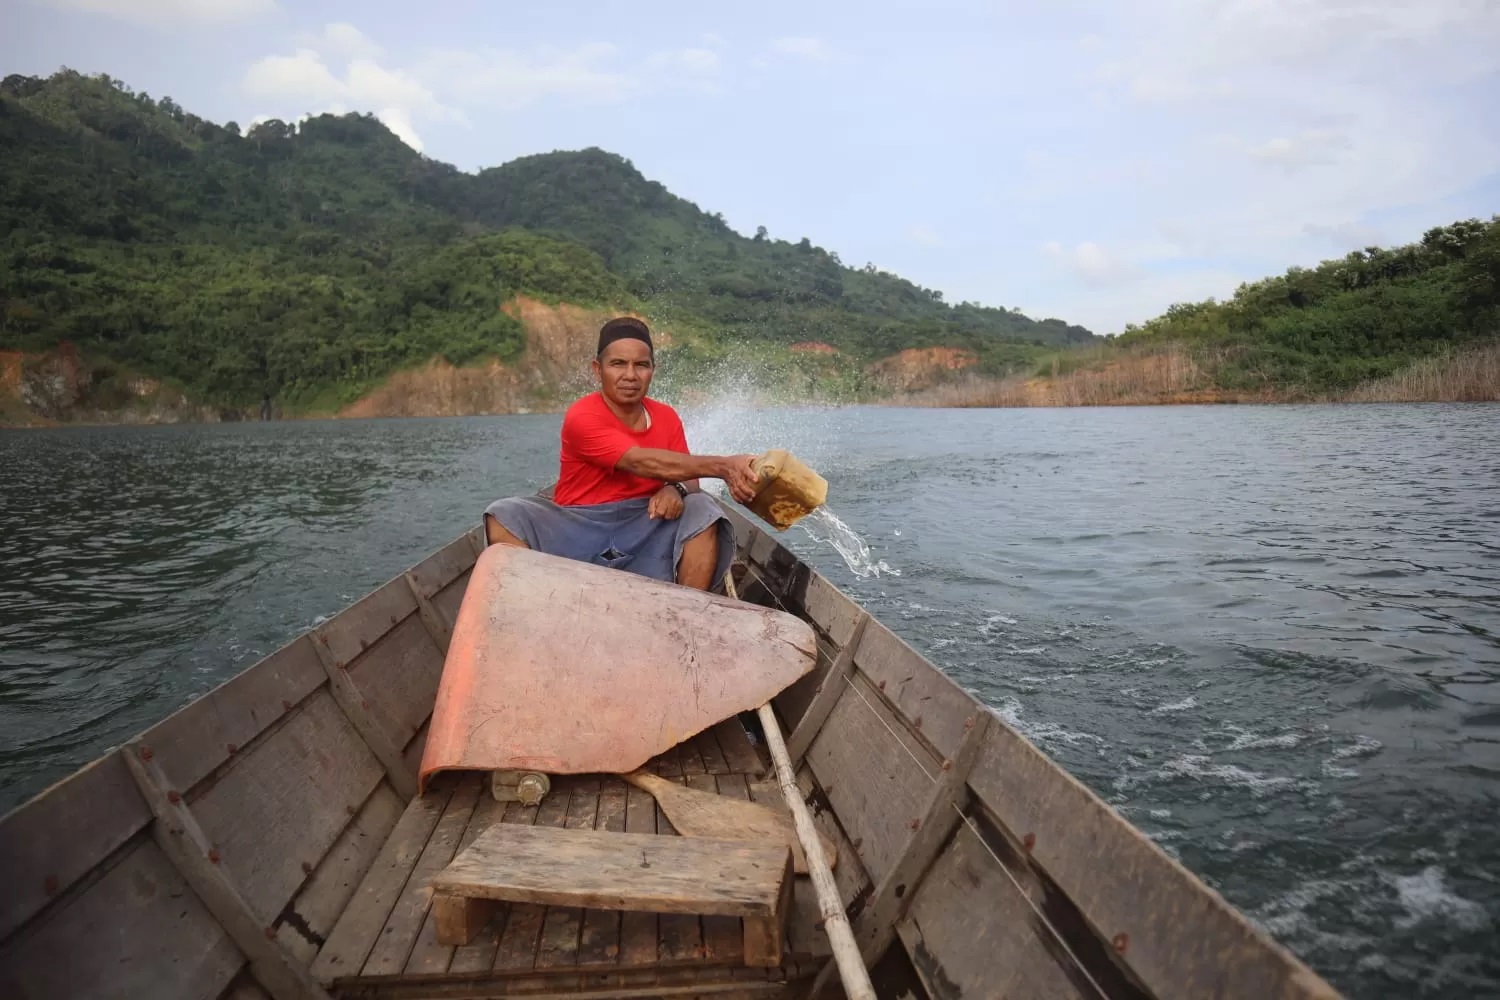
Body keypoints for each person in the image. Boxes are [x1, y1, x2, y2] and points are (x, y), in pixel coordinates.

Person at [482, 316, 763, 592]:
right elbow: (638, 461)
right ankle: (535, 599)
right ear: (597, 369)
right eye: (618, 364)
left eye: (641, 365)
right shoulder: (582, 416)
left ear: (653, 370)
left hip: (644, 526)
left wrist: (675, 488)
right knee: (505, 513)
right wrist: (724, 466)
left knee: (703, 507)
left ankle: (689, 607)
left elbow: (691, 480)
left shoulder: (666, 416)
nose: (630, 375)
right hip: (578, 528)